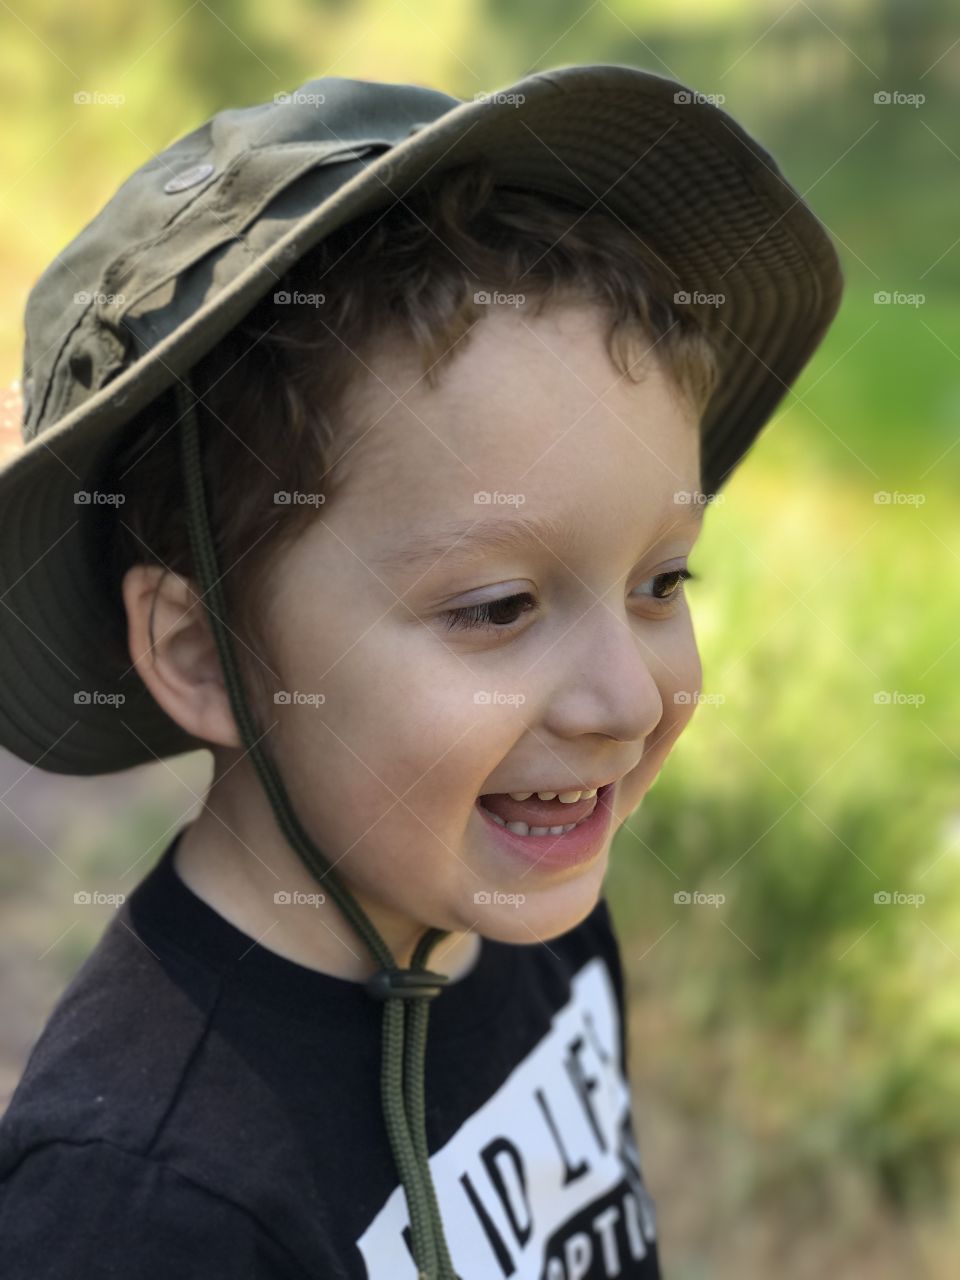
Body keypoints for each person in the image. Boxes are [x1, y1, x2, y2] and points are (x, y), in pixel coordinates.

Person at [0, 66, 843, 1278]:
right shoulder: (144, 1203)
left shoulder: (522, 902)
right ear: (202, 653)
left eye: (662, 582)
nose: (628, 701)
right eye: (498, 606)